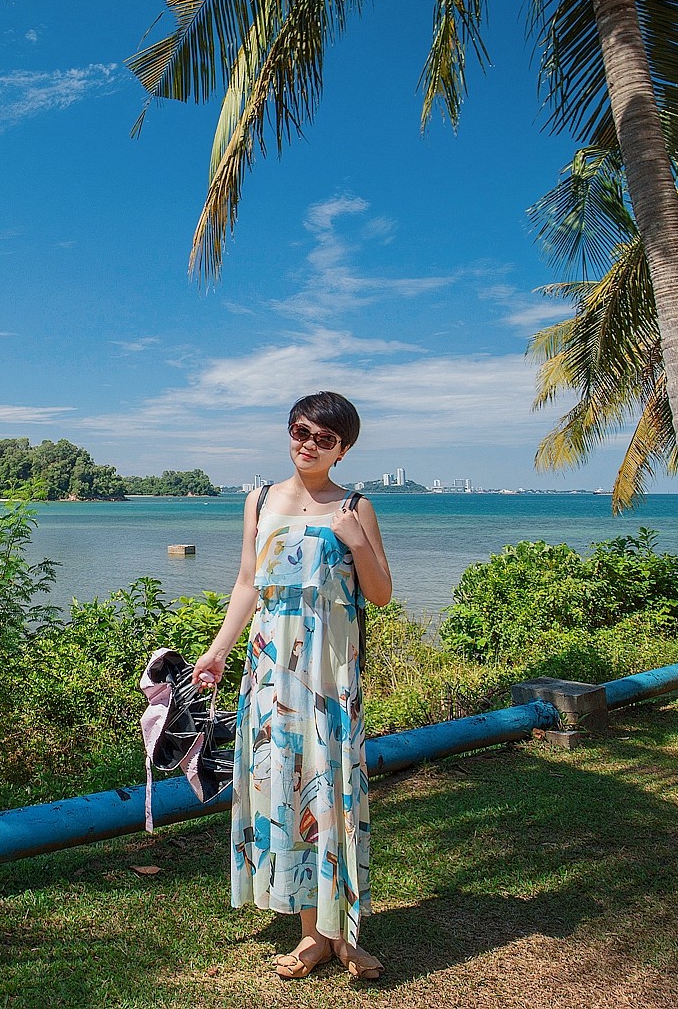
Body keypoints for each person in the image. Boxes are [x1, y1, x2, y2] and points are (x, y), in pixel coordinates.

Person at [192, 391, 393, 981]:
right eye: (298, 431)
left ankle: (342, 933)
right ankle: (311, 934)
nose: (306, 444)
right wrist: (218, 650)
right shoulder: (260, 500)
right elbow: (247, 584)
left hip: (330, 676)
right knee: (287, 790)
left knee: (333, 794)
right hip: (271, 670)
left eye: (322, 438)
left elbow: (380, 594)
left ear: (344, 448)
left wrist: (354, 541)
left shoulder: (356, 506)